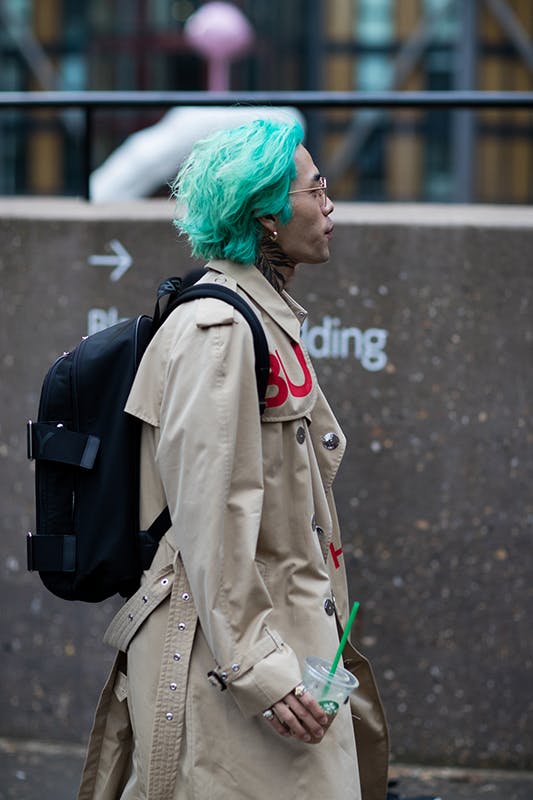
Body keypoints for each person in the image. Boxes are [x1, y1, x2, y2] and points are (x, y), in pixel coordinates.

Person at [77, 118, 389, 800]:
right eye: (317, 189)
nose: (330, 205)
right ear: (267, 219)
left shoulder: (261, 314)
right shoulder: (219, 330)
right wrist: (259, 669)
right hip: (234, 662)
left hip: (279, 643)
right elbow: (210, 516)